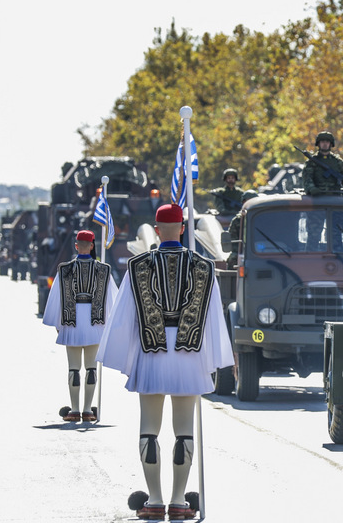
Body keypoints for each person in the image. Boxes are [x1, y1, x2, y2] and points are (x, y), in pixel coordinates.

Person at [96, 204, 234, 521]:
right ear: (182, 229)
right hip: (190, 356)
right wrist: (215, 360)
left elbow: (124, 319)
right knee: (184, 430)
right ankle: (179, 502)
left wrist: (128, 355)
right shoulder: (204, 267)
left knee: (149, 430)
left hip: (151, 353)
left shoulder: (138, 266)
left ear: (157, 229)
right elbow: (213, 318)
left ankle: (155, 500)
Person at [42, 230, 118, 422]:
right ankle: (88, 410)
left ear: (76, 245)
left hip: (72, 323)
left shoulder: (64, 270)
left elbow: (55, 300)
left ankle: (75, 410)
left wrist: (58, 324)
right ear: (92, 245)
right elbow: (113, 301)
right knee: (91, 369)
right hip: (95, 324)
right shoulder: (104, 270)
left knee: (74, 368)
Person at [302, 131, 343, 197]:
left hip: (336, 195)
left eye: (327, 142)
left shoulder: (337, 161)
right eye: (322, 142)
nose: (325, 144)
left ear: (331, 144)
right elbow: (307, 178)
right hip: (317, 195)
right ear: (318, 144)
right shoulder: (312, 161)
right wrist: (311, 188)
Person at [225, 189, 260, 266]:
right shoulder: (237, 220)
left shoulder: (261, 218)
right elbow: (232, 239)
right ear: (243, 202)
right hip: (241, 251)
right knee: (233, 259)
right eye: (248, 201)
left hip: (259, 250)